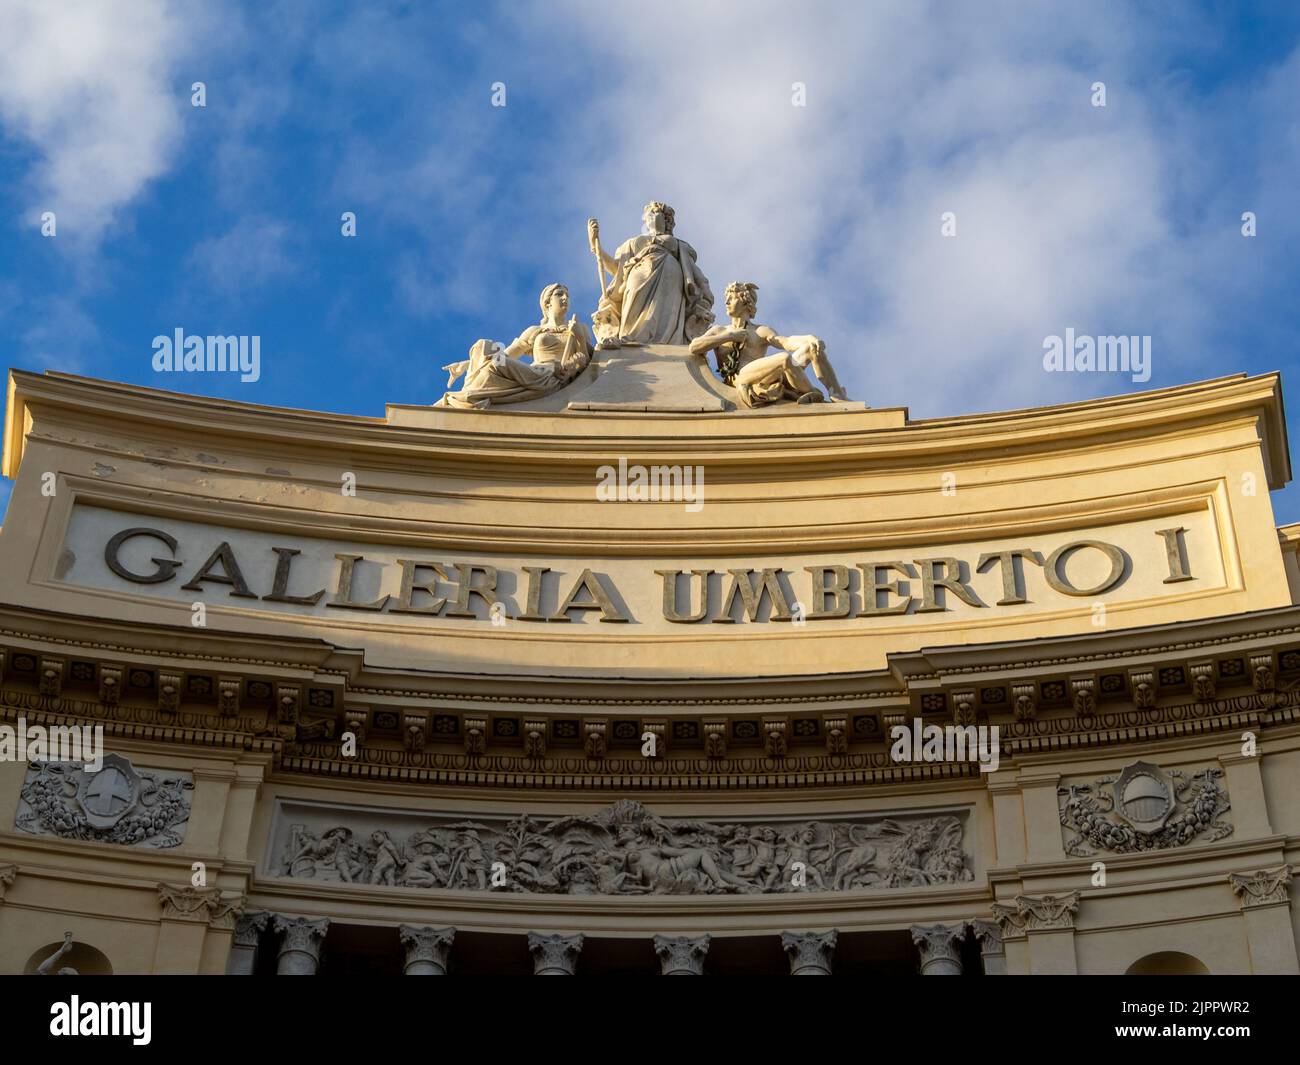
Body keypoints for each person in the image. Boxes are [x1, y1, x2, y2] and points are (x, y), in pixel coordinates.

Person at [690, 281, 848, 407]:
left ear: (746, 302)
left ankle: (838, 396)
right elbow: (695, 347)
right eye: (727, 298)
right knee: (783, 359)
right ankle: (812, 393)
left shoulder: (760, 330)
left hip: (768, 375)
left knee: (811, 348)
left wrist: (808, 338)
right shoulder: (720, 330)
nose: (726, 301)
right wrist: (729, 336)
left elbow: (785, 342)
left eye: (732, 297)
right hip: (742, 377)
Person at [440, 283, 593, 409]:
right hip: (535, 372)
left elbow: (584, 359)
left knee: (494, 365)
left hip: (551, 376)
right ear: (547, 302)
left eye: (567, 295)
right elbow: (505, 356)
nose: (565, 298)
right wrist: (467, 365)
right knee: (484, 346)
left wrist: (578, 336)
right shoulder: (535, 331)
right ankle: (465, 399)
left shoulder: (578, 328)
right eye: (559, 294)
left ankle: (462, 401)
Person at [588, 202, 714, 346]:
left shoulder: (679, 244)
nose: (650, 218)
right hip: (638, 273)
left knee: (668, 313)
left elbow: (695, 274)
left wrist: (706, 296)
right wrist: (595, 246)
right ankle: (629, 341)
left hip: (670, 274)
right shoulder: (632, 242)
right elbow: (616, 268)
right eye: (648, 215)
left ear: (667, 220)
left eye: (655, 213)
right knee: (633, 302)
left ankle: (669, 346)